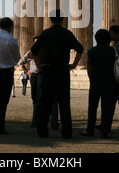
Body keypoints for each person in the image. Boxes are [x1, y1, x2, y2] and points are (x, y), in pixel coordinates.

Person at [31, 9, 83, 139]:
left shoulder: (46, 33)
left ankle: (42, 130)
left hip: (48, 70)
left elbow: (34, 49)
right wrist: (74, 64)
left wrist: (38, 64)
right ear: (63, 19)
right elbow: (80, 49)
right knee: (64, 103)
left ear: (50, 19)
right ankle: (67, 131)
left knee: (46, 102)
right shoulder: (67, 33)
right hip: (62, 70)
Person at [80, 29, 116, 139]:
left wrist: (91, 78)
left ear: (96, 39)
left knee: (92, 107)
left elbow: (89, 67)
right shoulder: (112, 51)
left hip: (95, 82)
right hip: (109, 81)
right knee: (106, 108)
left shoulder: (92, 51)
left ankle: (90, 130)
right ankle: (105, 132)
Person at [19, 36, 59, 129]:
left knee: (44, 99)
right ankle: (39, 120)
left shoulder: (41, 52)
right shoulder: (32, 53)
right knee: (38, 98)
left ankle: (42, 121)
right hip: (37, 76)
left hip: (44, 75)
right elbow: (21, 63)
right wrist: (27, 72)